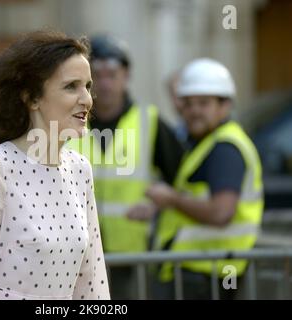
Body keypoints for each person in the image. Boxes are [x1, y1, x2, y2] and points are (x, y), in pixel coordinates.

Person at [0, 30, 110, 300]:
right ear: (31, 98)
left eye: (88, 86)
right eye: (71, 86)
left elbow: (92, 283)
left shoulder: (80, 170)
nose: (87, 99)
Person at [66, 34, 184, 299]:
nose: (105, 84)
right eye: (97, 76)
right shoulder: (67, 122)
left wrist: (156, 205)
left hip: (131, 255)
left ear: (126, 75)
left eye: (112, 74)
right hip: (76, 254)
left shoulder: (148, 121)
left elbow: (182, 180)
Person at [142, 58, 264, 299]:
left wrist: (172, 199)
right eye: (188, 104)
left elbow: (221, 212)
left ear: (225, 105)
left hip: (208, 274)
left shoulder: (225, 148)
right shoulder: (204, 143)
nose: (194, 111)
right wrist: (162, 208)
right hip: (198, 271)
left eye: (204, 103)